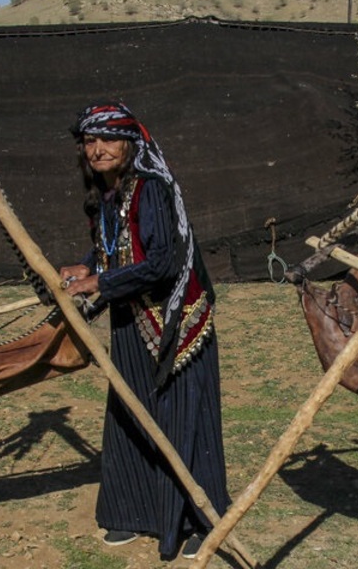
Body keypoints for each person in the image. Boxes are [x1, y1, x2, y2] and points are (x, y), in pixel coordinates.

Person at [58, 101, 230, 560]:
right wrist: (89, 265)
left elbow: (161, 263)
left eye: (108, 140)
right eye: (90, 142)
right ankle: (134, 511)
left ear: (131, 144)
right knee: (131, 413)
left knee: (183, 420)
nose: (98, 150)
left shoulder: (151, 188)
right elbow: (114, 246)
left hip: (175, 321)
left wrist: (99, 282)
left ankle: (200, 520)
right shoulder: (108, 194)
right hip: (131, 318)